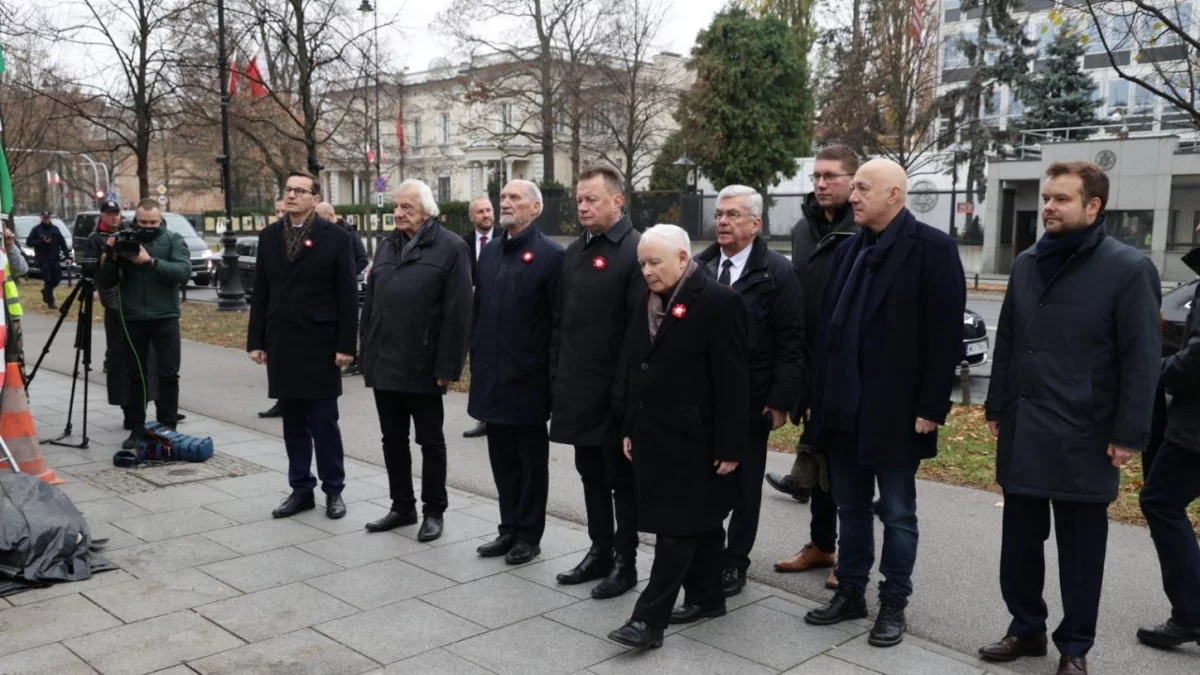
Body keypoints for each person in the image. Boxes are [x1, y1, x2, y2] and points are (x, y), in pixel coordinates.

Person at [981, 162, 1161, 675]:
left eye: (1061, 199)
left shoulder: (1128, 269)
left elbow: (1142, 359)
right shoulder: (1027, 262)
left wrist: (1129, 434)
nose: (1049, 208)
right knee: (1019, 543)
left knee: (1081, 552)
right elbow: (1011, 340)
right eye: (1046, 198)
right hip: (1024, 429)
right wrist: (998, 405)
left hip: (1087, 434)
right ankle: (1025, 629)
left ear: (1093, 206)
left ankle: (1075, 647)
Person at [803, 158, 965, 649]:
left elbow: (944, 338)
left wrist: (932, 407)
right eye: (853, 188)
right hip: (844, 409)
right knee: (850, 506)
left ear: (895, 194)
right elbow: (829, 331)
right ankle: (851, 591)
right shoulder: (852, 250)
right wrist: (816, 398)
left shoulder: (933, 250)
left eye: (863, 189)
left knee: (896, 512)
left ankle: (893, 601)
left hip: (898, 412)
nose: (853, 197)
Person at [606, 224, 748, 649]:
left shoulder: (720, 303)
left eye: (655, 263)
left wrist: (730, 445)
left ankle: (648, 621)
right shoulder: (646, 299)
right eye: (642, 263)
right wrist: (630, 424)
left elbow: (734, 381)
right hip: (654, 433)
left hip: (698, 438)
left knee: (676, 528)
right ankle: (707, 598)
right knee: (699, 524)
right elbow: (635, 364)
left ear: (683, 259)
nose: (647, 271)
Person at [694, 184, 805, 598]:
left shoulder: (777, 272)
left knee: (743, 487)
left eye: (733, 215)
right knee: (704, 480)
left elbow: (793, 341)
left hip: (750, 399)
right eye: (720, 214)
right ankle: (705, 550)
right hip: (704, 399)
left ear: (756, 224)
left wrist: (779, 400)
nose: (722, 221)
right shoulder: (700, 267)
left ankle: (735, 562)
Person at [360, 180, 472, 543]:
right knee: (392, 440)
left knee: (430, 441)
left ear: (427, 210)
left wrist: (448, 367)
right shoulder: (388, 244)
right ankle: (401, 505)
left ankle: (434, 510)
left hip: (424, 364)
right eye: (396, 206)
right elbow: (372, 302)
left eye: (407, 207)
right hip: (385, 361)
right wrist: (367, 352)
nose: (398, 213)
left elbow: (458, 313)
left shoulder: (451, 247)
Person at [551, 166, 644, 599]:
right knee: (589, 474)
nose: (583, 207)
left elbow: (636, 334)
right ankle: (599, 550)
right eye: (579, 201)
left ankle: (626, 563)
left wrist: (625, 397)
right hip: (577, 389)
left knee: (620, 482)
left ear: (617, 201)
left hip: (615, 394)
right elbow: (561, 322)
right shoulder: (574, 252)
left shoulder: (635, 250)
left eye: (591, 200)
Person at [770, 145, 860, 589]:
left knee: (847, 469)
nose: (822, 184)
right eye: (817, 177)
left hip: (851, 369)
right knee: (816, 458)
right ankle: (822, 545)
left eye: (832, 176)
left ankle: (853, 559)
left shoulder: (863, 228)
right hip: (812, 367)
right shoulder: (803, 230)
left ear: (853, 180)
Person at [247, 172, 358, 520]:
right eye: (288, 190)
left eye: (299, 191)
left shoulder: (335, 238)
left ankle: (334, 490)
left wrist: (346, 345)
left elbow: (346, 296)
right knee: (292, 421)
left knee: (324, 421)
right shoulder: (269, 237)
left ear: (314, 198)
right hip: (282, 341)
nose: (291, 195)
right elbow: (261, 291)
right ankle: (300, 489)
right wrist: (257, 340)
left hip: (321, 344)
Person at [469, 180, 563, 565]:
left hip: (528, 379)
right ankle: (507, 528)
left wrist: (552, 379)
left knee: (529, 463)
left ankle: (528, 533)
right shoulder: (489, 253)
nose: (504, 203)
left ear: (535, 208)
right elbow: (479, 313)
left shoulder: (551, 255)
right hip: (492, 376)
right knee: (501, 458)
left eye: (514, 198)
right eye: (502, 197)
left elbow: (559, 323)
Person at [1138, 226, 1200, 651]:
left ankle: (1190, 615)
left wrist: (1156, 372)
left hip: (1196, 428)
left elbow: (1197, 357)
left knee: (1160, 500)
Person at [94, 199, 192, 449]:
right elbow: (105, 281)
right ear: (135, 220)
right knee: (136, 376)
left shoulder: (173, 240)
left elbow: (183, 273)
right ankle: (138, 428)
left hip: (166, 316)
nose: (148, 227)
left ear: (161, 220)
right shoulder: (125, 239)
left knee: (168, 374)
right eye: (143, 222)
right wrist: (111, 255)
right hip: (133, 317)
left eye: (153, 222)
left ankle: (168, 428)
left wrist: (151, 262)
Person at [315, 202, 368, 378]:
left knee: (347, 321)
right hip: (326, 287)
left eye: (320, 218)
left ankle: (351, 358)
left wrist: (346, 275)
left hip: (344, 286)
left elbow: (362, 259)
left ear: (330, 216)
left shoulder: (348, 234)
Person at [462, 196, 495, 440]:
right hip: (473, 317)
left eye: (488, 210)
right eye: (480, 212)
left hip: (500, 314)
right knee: (480, 367)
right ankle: (484, 416)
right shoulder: (462, 244)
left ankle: (499, 416)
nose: (486, 215)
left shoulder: (506, 239)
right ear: (472, 217)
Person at [258, 199, 288, 420]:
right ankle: (282, 401)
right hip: (278, 320)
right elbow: (261, 291)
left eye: (282, 211)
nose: (279, 214)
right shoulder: (270, 236)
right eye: (276, 211)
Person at [26, 211, 70, 309]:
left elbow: (62, 243)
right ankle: (51, 302)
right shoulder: (36, 230)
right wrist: (40, 241)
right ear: (41, 218)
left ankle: (45, 291)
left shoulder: (55, 229)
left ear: (50, 218)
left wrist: (67, 256)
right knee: (48, 280)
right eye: (44, 218)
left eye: (48, 217)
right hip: (43, 259)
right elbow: (29, 242)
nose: (46, 219)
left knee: (57, 279)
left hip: (55, 258)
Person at [3, 221, 28, 371]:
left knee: (15, 356)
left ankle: (17, 391)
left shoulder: (6, 248)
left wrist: (10, 246)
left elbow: (21, 269)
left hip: (11, 314)